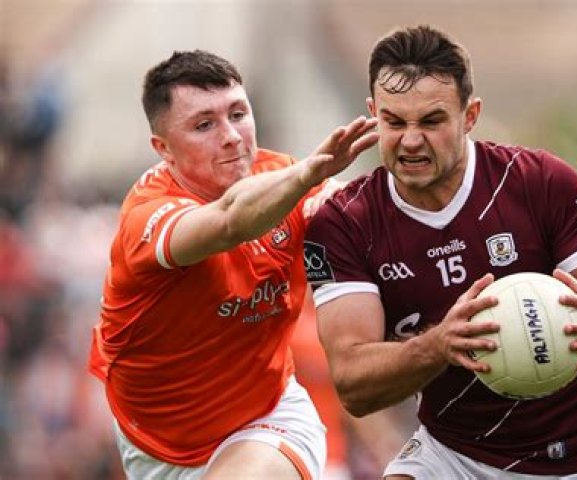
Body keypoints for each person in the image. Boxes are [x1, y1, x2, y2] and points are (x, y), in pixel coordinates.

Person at [304, 25, 577, 478]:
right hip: (455, 453)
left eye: (431, 121)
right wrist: (439, 344)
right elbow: (354, 386)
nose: (410, 140)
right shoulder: (345, 222)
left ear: (470, 115)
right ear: (373, 114)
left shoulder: (539, 182)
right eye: (394, 122)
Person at [87, 49, 378, 480]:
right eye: (204, 125)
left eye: (238, 114)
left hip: (269, 417)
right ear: (163, 149)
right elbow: (228, 222)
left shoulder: (287, 176)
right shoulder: (148, 217)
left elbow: (369, 216)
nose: (231, 137)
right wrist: (306, 178)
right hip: (154, 447)